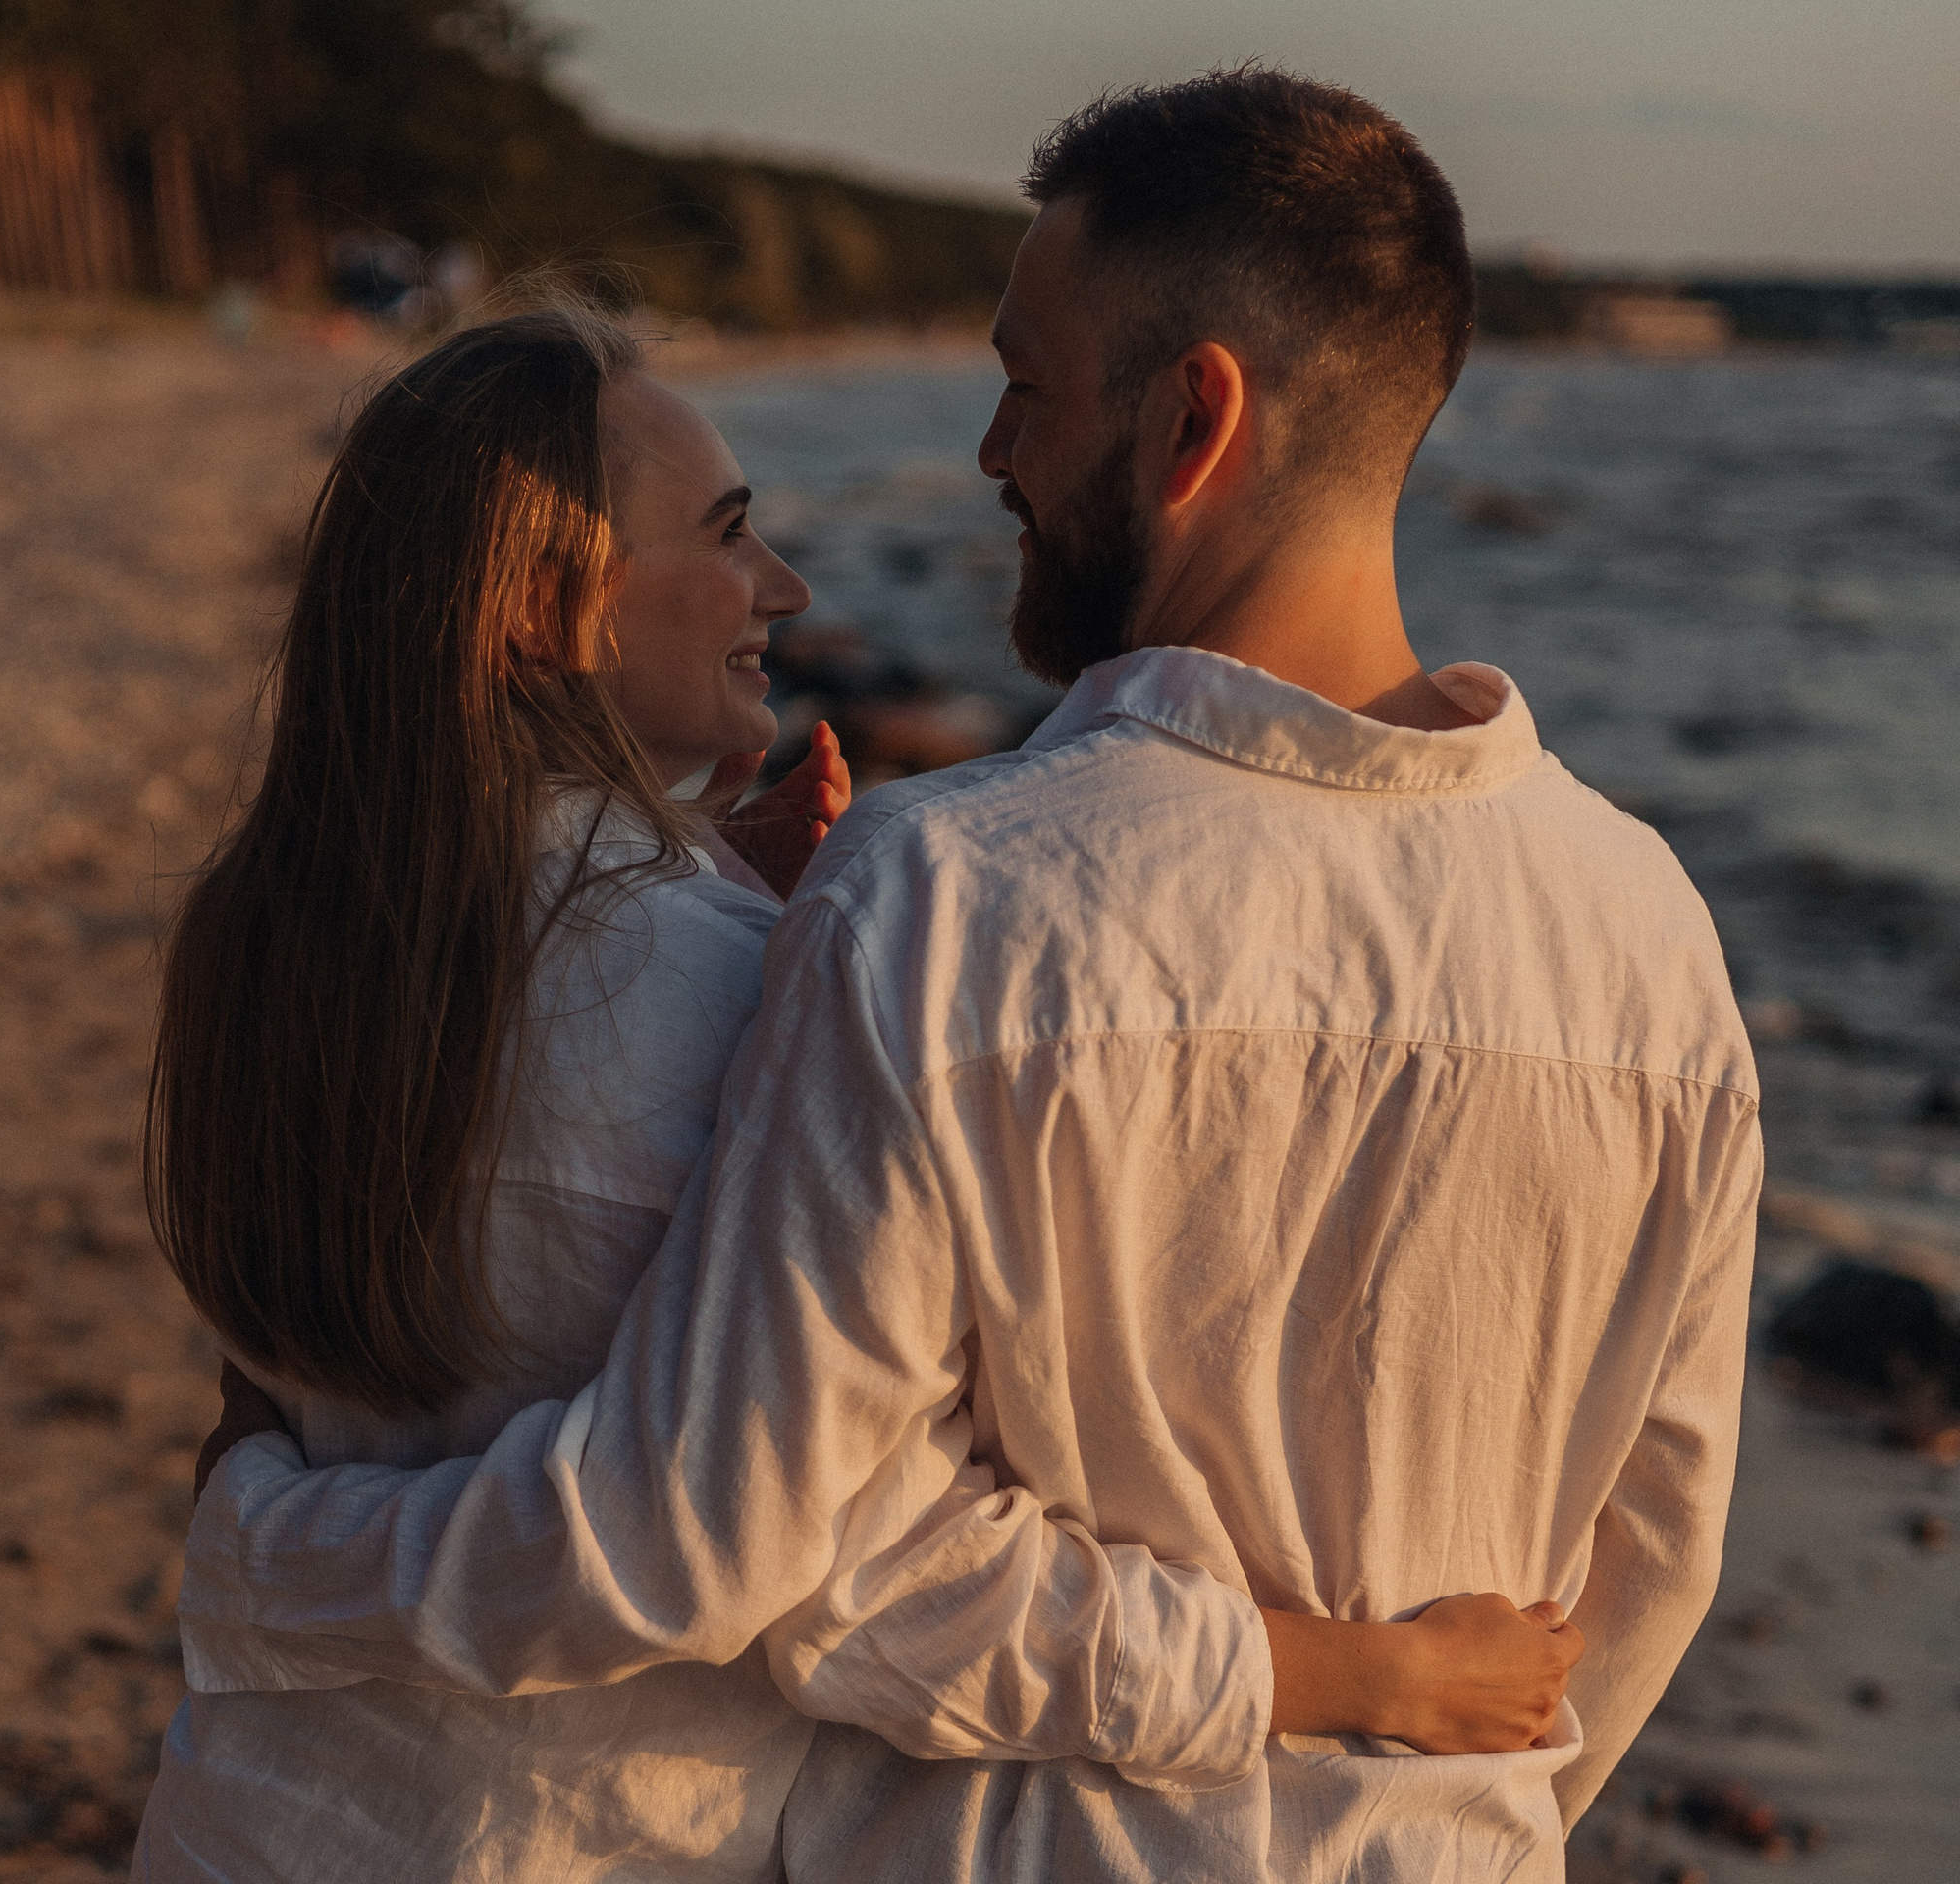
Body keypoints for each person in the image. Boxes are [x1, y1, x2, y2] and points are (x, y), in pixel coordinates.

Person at [132, 294, 1581, 1882]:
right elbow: (832, 1565)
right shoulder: (728, 993)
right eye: (731, 534)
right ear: (548, 608)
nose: (786, 587)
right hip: (583, 1843)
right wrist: (1351, 1675)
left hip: (256, 1817)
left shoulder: (266, 942)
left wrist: (715, 896)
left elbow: (347, 1364)